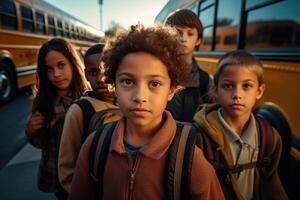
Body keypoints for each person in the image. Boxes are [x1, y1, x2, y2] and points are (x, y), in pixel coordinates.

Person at [69, 24, 224, 200]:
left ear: (171, 90)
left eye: (154, 84)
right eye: (128, 82)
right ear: (114, 85)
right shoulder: (95, 146)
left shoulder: (188, 158)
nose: (140, 96)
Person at [193, 50, 288, 200]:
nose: (237, 94)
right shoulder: (199, 137)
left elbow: (272, 183)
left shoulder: (269, 137)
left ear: (259, 91)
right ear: (216, 90)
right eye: (228, 86)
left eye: (246, 86)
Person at [25, 38, 89, 200]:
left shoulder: (86, 97)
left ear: (73, 63)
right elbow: (42, 144)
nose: (56, 74)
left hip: (86, 173)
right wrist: (32, 131)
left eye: (61, 65)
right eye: (49, 69)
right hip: (58, 177)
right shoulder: (43, 102)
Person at [58, 44, 121, 193]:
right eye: (94, 72)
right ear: (86, 75)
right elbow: (66, 169)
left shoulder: (127, 102)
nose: (100, 79)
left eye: (106, 71)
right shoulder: (79, 111)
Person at [165, 9, 213, 122]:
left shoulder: (204, 80)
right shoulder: (156, 74)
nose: (183, 38)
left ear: (198, 40)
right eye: (178, 33)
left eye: (190, 34)